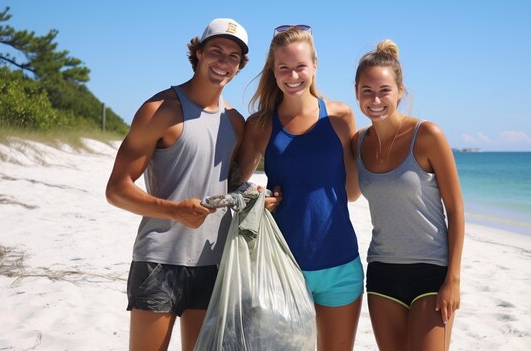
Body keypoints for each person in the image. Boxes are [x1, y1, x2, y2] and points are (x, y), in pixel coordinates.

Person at [105, 18, 250, 351]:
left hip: (213, 261)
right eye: (216, 51)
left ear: (240, 66)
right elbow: (116, 189)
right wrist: (174, 211)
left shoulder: (236, 122)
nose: (223, 62)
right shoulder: (160, 110)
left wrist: (257, 199)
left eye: (233, 56)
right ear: (198, 52)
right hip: (159, 259)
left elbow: (234, 187)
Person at [235, 25, 363, 350]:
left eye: (300, 66)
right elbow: (235, 182)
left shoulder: (340, 117)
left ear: (315, 66)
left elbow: (352, 192)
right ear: (274, 72)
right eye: (284, 68)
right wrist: (257, 196)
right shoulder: (260, 125)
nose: (293, 75)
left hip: (341, 265)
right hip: (282, 267)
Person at [351, 39, 464, 351]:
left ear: (400, 91)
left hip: (431, 273)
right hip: (382, 275)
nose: (376, 99)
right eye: (367, 91)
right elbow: (339, 188)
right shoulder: (357, 144)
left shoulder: (428, 136)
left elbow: (455, 210)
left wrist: (453, 278)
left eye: (384, 90)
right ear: (356, 92)